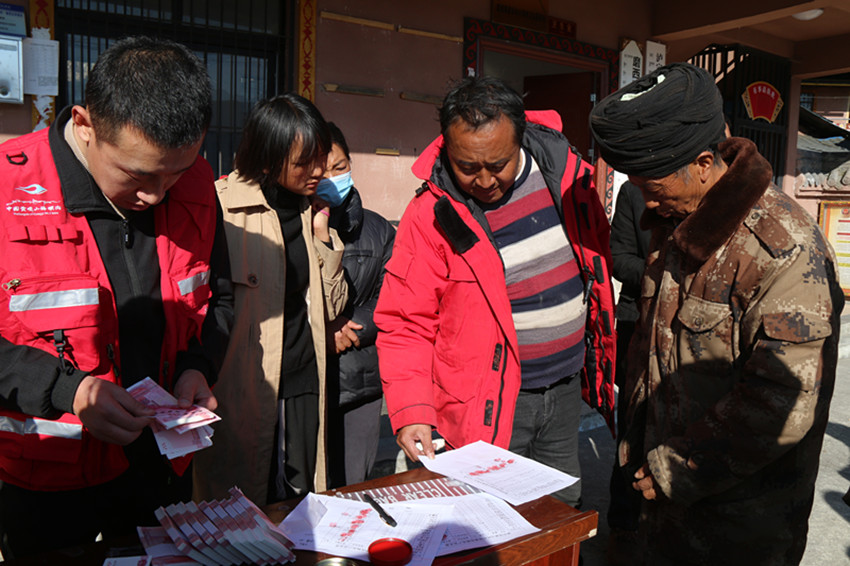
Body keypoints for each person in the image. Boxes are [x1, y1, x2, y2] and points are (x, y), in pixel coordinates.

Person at [589, 62, 843, 566]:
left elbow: (782, 398)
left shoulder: (783, 251)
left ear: (704, 163)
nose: (647, 203)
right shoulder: (678, 217)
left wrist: (677, 466)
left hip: (736, 523)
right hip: (659, 506)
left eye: (652, 187)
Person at [0, 36, 233, 557]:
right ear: (85, 125)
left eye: (176, 173)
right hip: (47, 476)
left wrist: (199, 367)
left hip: (160, 464)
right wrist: (68, 391)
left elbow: (218, 296)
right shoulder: (6, 189)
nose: (157, 194)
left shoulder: (195, 184)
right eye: (138, 175)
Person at [374, 76, 616, 507]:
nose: (485, 180)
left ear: (519, 141)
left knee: (561, 508)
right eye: (468, 167)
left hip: (564, 389)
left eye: (497, 164)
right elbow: (406, 323)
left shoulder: (566, 176)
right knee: (490, 514)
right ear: (447, 147)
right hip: (484, 400)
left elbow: (596, 263)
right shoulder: (432, 215)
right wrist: (412, 410)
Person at [193, 94, 347, 506]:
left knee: (301, 499)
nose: (318, 171)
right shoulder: (223, 208)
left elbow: (333, 306)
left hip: (304, 377)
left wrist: (323, 236)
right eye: (304, 163)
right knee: (239, 505)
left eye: (321, 158)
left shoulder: (314, 208)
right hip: (244, 386)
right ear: (267, 159)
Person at [320, 122, 396, 488]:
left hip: (360, 379)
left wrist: (348, 326)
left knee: (353, 486)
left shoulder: (379, 231)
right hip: (306, 378)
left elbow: (394, 296)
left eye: (340, 167)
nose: (332, 178)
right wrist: (320, 328)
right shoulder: (285, 228)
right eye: (321, 171)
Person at [605, 180, 650, 555]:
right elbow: (618, 257)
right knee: (634, 425)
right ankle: (624, 521)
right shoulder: (635, 192)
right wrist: (661, 272)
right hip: (639, 321)